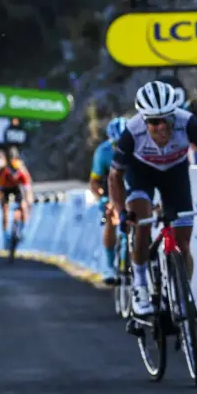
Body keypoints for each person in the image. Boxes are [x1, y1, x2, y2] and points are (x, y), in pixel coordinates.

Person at [108, 80, 197, 316]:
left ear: (175, 115)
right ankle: (140, 285)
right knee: (141, 222)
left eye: (167, 119)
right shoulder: (132, 132)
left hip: (176, 173)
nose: (162, 127)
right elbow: (114, 178)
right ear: (144, 120)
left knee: (183, 244)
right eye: (154, 122)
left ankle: (182, 295)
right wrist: (121, 212)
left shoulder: (189, 123)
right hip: (142, 173)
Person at [89, 117, 127, 284]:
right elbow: (94, 182)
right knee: (111, 216)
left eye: (122, 143)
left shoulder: (138, 147)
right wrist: (101, 197)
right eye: (115, 144)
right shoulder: (102, 152)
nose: (118, 147)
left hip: (131, 188)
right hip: (111, 191)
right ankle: (109, 264)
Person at [0, 147, 33, 246]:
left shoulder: (22, 169)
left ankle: (22, 230)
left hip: (17, 188)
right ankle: (6, 235)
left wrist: (29, 200)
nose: (14, 174)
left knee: (23, 207)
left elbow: (27, 188)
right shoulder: (5, 171)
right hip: (6, 188)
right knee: (5, 209)